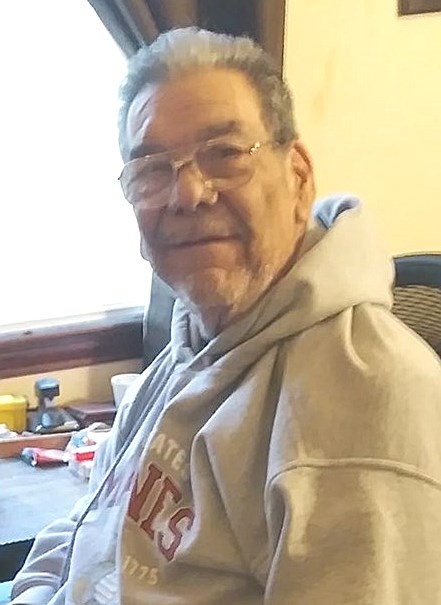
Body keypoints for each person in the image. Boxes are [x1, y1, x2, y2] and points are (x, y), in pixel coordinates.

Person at [11, 27, 441, 605]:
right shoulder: (192, 344)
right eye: (152, 169)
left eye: (225, 154)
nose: (187, 193)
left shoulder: (363, 408)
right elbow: (89, 522)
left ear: (298, 175)